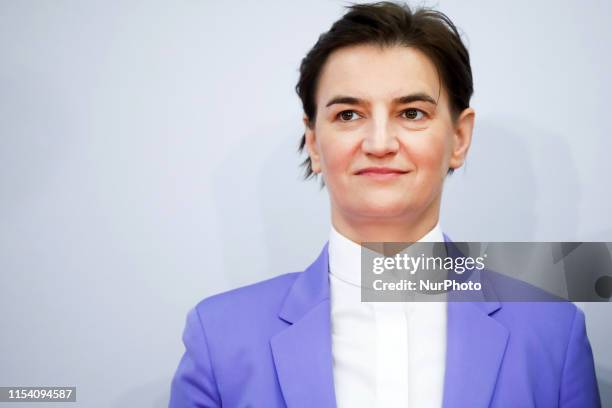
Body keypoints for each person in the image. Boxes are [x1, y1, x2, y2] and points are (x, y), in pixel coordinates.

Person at [169, 2, 601, 407]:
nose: (379, 144)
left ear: (460, 138)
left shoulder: (553, 332)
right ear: (314, 143)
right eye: (348, 115)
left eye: (412, 113)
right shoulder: (220, 336)